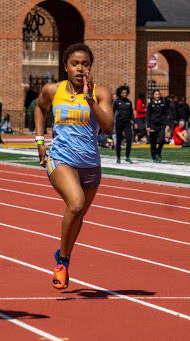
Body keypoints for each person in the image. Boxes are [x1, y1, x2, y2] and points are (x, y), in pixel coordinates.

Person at [34, 43, 113, 290]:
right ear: (66, 66)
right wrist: (39, 141)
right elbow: (39, 108)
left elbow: (109, 127)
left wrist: (90, 100)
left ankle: (62, 256)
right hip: (61, 159)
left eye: (85, 64)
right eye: (75, 64)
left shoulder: (101, 93)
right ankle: (63, 263)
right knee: (76, 203)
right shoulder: (52, 90)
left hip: (90, 163)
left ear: (91, 67)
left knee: (78, 215)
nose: (80, 69)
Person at [112, 85, 134, 163]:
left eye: (126, 92)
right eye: (123, 92)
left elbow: (131, 113)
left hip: (127, 124)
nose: (125, 94)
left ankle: (127, 156)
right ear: (120, 93)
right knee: (119, 140)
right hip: (119, 123)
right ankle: (118, 157)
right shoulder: (117, 102)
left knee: (129, 139)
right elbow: (113, 112)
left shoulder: (129, 102)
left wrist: (133, 121)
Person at [146, 90, 168, 162]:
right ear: (153, 95)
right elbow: (148, 115)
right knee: (153, 141)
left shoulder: (163, 104)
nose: (157, 96)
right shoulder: (150, 104)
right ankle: (154, 156)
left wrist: (167, 124)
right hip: (153, 124)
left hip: (161, 124)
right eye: (156, 94)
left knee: (162, 140)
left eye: (158, 94)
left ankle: (158, 152)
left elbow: (165, 114)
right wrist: (148, 126)